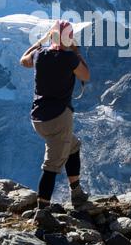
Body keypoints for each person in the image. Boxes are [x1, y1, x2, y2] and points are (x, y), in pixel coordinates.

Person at [20, 20, 90, 212]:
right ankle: (42, 211)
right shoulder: (69, 58)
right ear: (69, 38)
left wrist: (39, 42)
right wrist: (75, 50)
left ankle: (76, 192)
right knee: (51, 165)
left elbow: (23, 60)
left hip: (38, 118)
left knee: (73, 146)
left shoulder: (39, 55)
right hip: (59, 118)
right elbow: (85, 75)